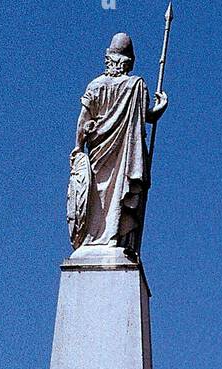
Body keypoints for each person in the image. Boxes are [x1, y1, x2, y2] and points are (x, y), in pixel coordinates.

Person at [70, 33, 168, 258]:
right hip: (124, 160)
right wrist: (160, 108)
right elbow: (147, 116)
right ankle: (117, 240)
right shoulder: (136, 86)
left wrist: (77, 148)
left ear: (108, 57)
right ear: (130, 61)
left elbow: (83, 120)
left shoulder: (96, 86)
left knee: (96, 195)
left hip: (98, 155)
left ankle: (93, 239)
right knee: (119, 195)